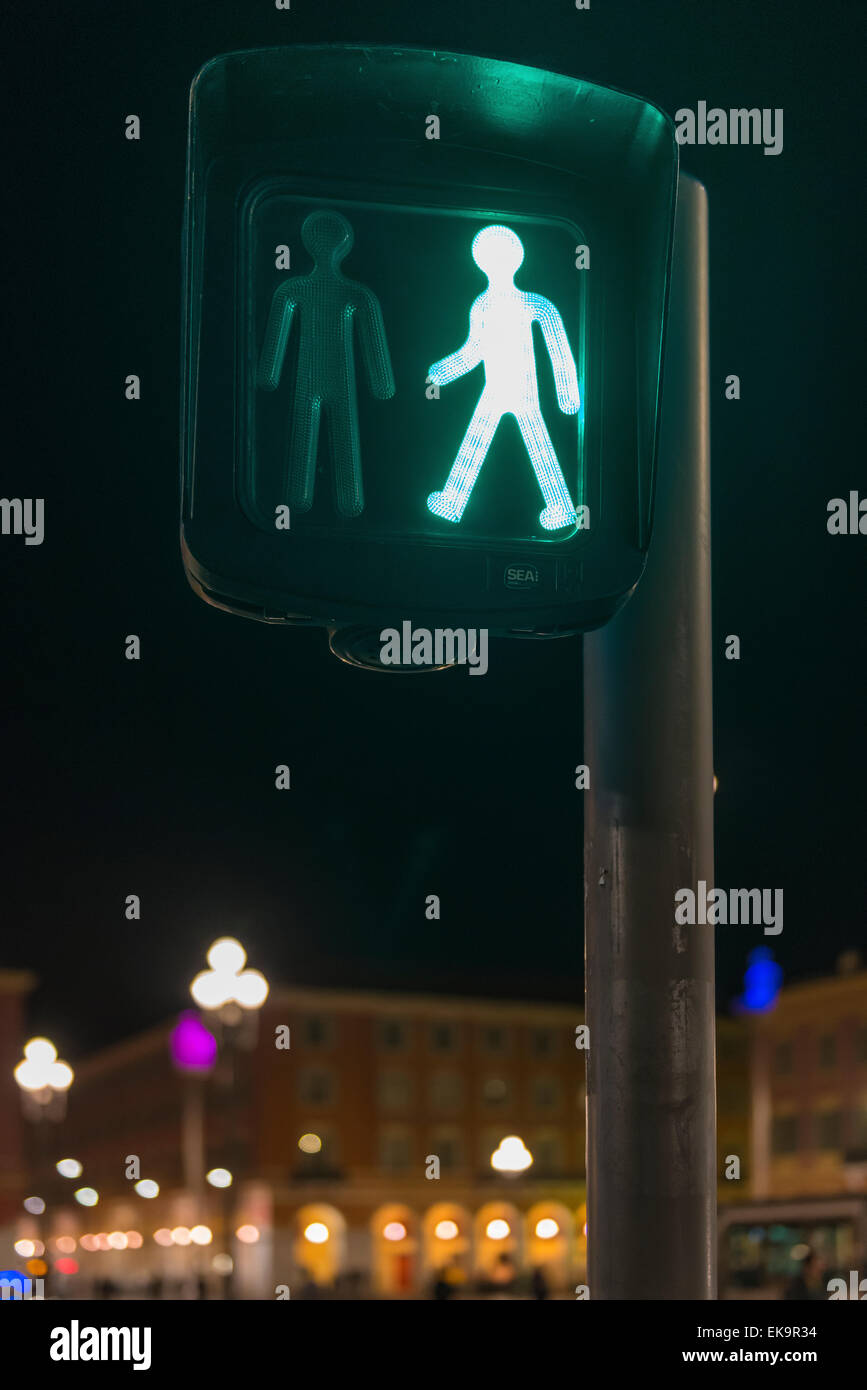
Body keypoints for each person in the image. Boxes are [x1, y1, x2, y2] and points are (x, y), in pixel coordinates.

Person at [426, 224, 580, 532]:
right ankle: (453, 501)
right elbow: (473, 350)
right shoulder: (482, 305)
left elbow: (557, 345)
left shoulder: (536, 304)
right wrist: (443, 371)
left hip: (523, 389)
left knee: (534, 444)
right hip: (495, 389)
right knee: (482, 442)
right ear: (480, 262)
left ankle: (560, 506)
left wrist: (567, 394)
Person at [257, 210, 395, 519]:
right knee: (337, 432)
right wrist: (381, 382)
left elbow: (275, 339)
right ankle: (335, 500)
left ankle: (318, 498)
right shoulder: (345, 293)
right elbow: (374, 342)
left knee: (314, 430)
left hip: (317, 374)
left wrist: (269, 374)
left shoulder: (298, 290)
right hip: (329, 374)